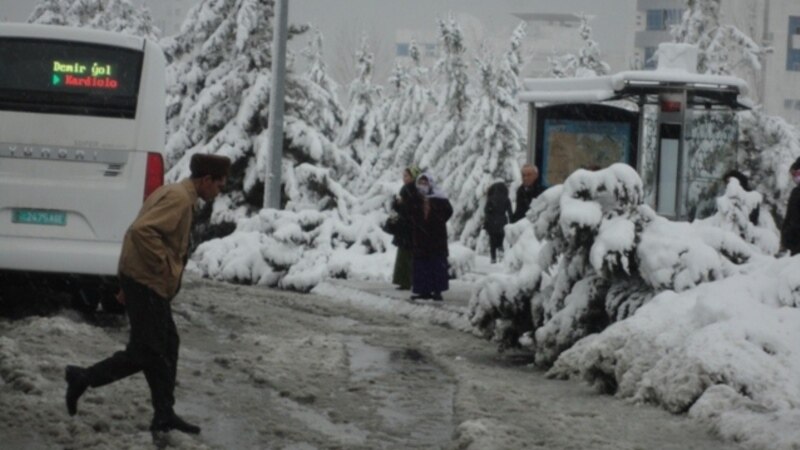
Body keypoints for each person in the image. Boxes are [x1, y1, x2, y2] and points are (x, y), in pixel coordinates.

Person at [64, 153, 231, 435]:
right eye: (220, 184)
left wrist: (126, 282)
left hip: (143, 282)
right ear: (206, 180)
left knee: (166, 345)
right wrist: (161, 267)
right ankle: (83, 378)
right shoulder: (179, 199)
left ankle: (164, 413)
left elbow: (137, 230)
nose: (220, 189)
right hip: (148, 283)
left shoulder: (178, 195)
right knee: (146, 351)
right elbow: (142, 232)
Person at [408, 172, 453, 301]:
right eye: (420, 183)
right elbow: (409, 213)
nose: (423, 186)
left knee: (436, 265)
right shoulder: (415, 198)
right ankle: (423, 290)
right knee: (422, 265)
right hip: (421, 238)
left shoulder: (440, 199)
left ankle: (437, 291)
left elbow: (448, 211)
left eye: (425, 182)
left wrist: (437, 222)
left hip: (436, 238)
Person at [390, 166, 422, 290]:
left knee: (407, 255)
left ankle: (407, 280)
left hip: (409, 228)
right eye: (403, 176)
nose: (404, 178)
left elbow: (412, 209)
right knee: (404, 254)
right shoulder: (408, 189)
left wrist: (401, 205)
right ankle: (405, 281)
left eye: (406, 176)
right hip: (406, 228)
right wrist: (397, 204)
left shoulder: (414, 190)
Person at [484, 181, 512, 264]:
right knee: (501, 239)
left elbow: (486, 211)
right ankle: (502, 256)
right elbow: (510, 212)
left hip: (492, 222)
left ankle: (493, 258)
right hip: (502, 221)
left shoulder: (491, 198)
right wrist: (511, 222)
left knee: (492, 240)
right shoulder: (506, 199)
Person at [781, 157, 800, 255]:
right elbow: (789, 217)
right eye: (794, 175)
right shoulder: (795, 192)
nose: (796, 178)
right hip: (794, 245)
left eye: (798, 174)